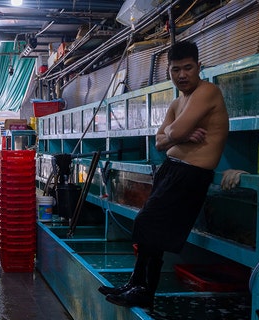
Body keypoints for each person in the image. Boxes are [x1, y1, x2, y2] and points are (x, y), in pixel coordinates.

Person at [98, 41, 229, 309]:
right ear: (169, 72)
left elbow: (170, 135)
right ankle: (136, 283)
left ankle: (145, 289)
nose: (182, 75)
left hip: (191, 173)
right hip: (171, 170)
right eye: (175, 70)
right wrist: (177, 134)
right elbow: (159, 142)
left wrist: (175, 135)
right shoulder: (178, 102)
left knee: (148, 224)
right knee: (148, 227)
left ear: (198, 67)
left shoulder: (207, 92)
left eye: (188, 68)